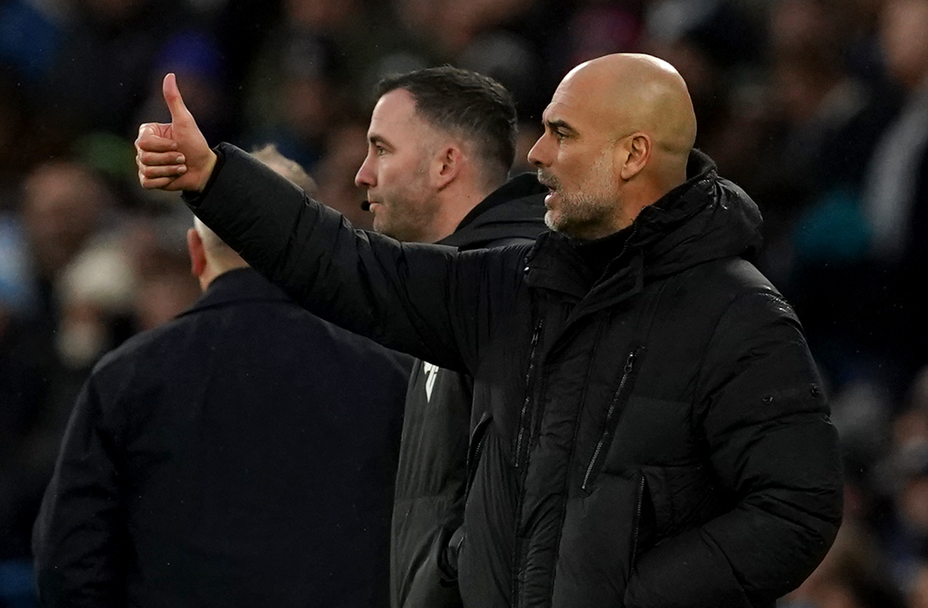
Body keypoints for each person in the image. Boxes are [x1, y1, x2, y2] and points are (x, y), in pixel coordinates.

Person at [136, 53, 844, 608]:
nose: (534, 155)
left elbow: (797, 509)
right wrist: (215, 178)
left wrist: (636, 596)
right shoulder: (513, 286)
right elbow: (349, 266)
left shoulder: (739, 314)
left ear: (632, 156)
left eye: (562, 133)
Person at [32, 146, 412, 608]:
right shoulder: (392, 373)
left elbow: (69, 564)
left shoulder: (126, 376)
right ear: (319, 244)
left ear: (195, 253)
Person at [356, 66, 546, 608]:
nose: (362, 174)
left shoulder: (513, 293)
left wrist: (448, 571)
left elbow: (528, 497)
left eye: (381, 149)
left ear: (445, 164)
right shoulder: (447, 286)